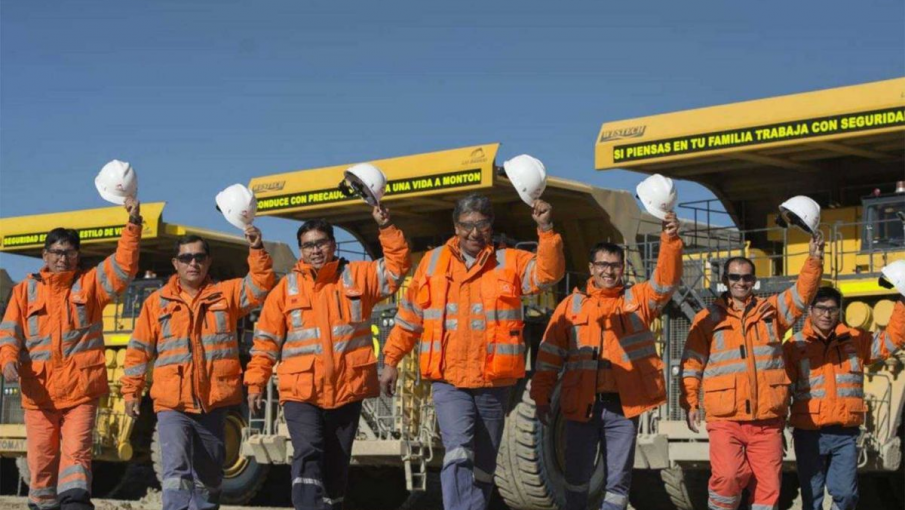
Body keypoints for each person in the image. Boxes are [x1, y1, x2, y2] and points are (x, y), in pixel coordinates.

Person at [379, 193, 565, 510]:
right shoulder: (433, 262)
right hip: (449, 380)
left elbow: (548, 274)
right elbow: (410, 317)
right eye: (467, 225)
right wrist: (391, 359)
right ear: (456, 226)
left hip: (494, 381)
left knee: (484, 462)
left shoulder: (510, 262)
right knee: (458, 450)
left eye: (481, 225)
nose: (474, 233)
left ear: (491, 227)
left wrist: (545, 229)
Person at [244, 205, 410, 510]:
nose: (315, 250)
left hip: (348, 389)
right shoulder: (285, 290)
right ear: (301, 250)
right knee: (308, 451)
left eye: (320, 243)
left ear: (332, 244)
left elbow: (398, 268)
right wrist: (256, 381)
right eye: (308, 245)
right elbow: (265, 341)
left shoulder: (358, 276)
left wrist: (386, 227)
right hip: (300, 391)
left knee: (336, 461)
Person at [531, 212, 682, 510]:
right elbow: (548, 358)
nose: (608, 271)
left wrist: (670, 241)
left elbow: (666, 281)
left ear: (622, 268)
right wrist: (540, 396)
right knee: (576, 477)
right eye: (602, 265)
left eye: (614, 265)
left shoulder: (637, 300)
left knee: (618, 481)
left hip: (622, 407)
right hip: (580, 405)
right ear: (591, 268)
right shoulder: (570, 306)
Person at [0, 198, 142, 510]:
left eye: (69, 252)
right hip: (39, 395)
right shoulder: (25, 291)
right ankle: (41, 503)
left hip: (80, 392)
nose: (63, 258)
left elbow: (123, 266)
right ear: (45, 255)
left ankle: (75, 504)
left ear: (77, 256)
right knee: (41, 460)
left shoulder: (89, 284)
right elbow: (10, 331)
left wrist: (133, 225)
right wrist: (8, 359)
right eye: (57, 252)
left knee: (76, 457)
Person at [120, 226, 275, 510]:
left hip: (212, 404)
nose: (193, 263)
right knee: (175, 469)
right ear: (176, 263)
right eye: (187, 258)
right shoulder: (157, 303)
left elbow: (262, 284)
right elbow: (138, 350)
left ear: (208, 261)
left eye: (199, 257)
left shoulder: (225, 295)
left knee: (209, 474)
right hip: (172, 403)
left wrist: (256, 248)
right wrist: (131, 392)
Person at [680, 233, 825, 510]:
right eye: (735, 278)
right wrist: (689, 401)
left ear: (753, 280)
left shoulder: (771, 312)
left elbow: (802, 293)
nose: (741, 283)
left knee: (768, 485)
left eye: (746, 277)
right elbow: (691, 364)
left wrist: (814, 259)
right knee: (728, 476)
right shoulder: (706, 320)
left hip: (766, 419)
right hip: (726, 418)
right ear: (725, 281)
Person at [784, 287, 904, 510]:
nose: (826, 314)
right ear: (810, 310)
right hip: (809, 433)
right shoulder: (794, 346)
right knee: (812, 497)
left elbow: (891, 341)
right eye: (821, 308)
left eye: (832, 309)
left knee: (847, 495)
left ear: (839, 311)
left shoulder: (856, 340)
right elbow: (781, 389)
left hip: (844, 434)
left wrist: (903, 302)